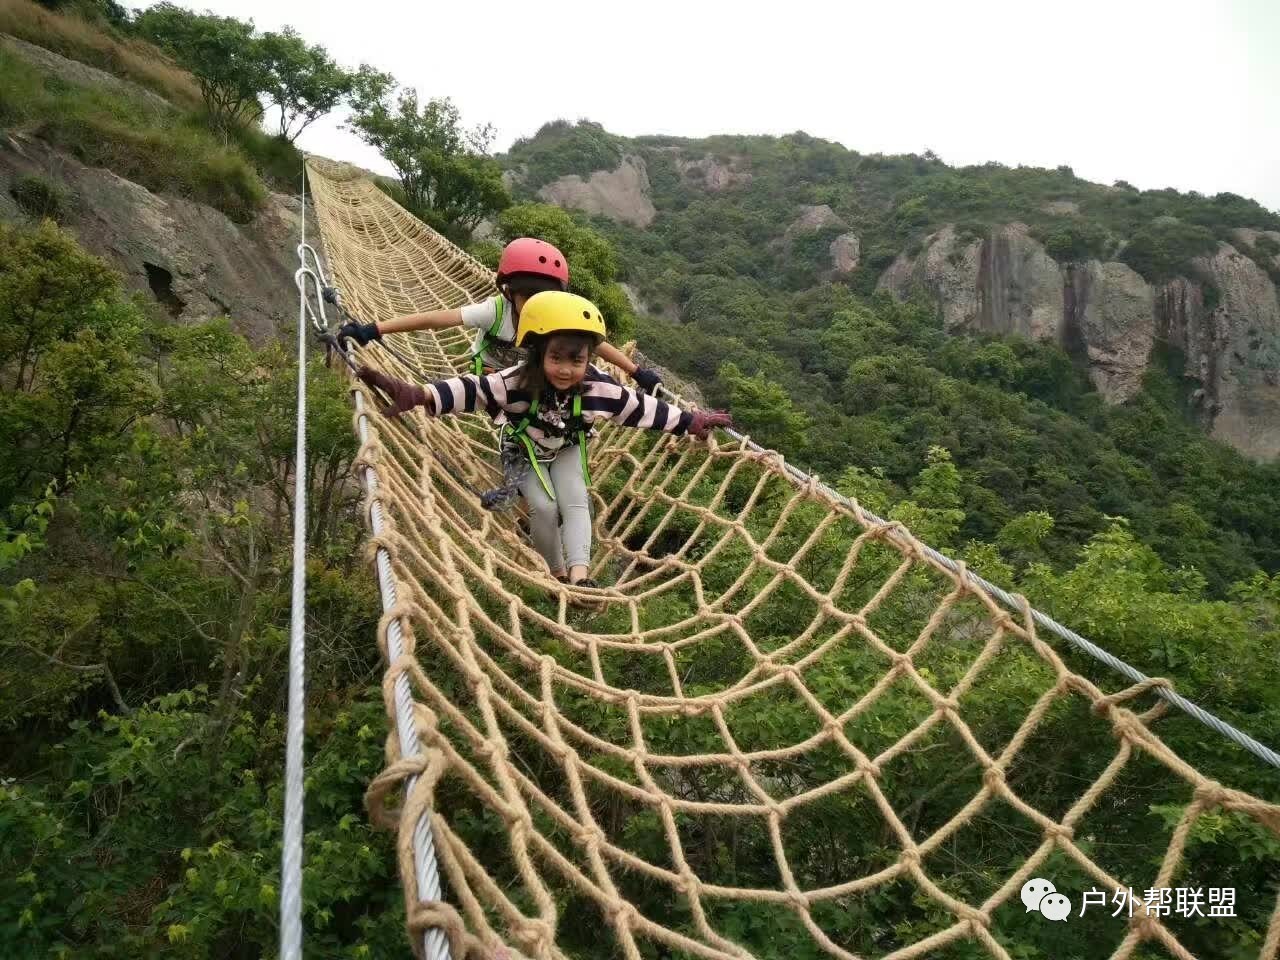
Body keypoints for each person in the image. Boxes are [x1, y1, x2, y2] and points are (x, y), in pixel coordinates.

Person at [357, 290, 732, 588]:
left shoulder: (597, 389)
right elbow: (472, 390)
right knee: (544, 508)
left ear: (588, 359)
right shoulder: (514, 382)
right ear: (537, 353)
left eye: (577, 360)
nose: (567, 369)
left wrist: (690, 422)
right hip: (522, 449)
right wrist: (417, 394)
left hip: (566, 446)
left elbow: (641, 408)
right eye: (556, 358)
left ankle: (581, 579)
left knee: (576, 503)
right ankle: (555, 573)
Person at [339, 236, 663, 394]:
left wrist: (636, 372)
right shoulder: (495, 311)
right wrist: (374, 329)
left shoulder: (551, 315)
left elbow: (594, 343)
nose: (535, 303)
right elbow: (435, 318)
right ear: (509, 291)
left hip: (531, 375)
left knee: (579, 383)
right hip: (490, 374)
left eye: (544, 296)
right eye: (527, 295)